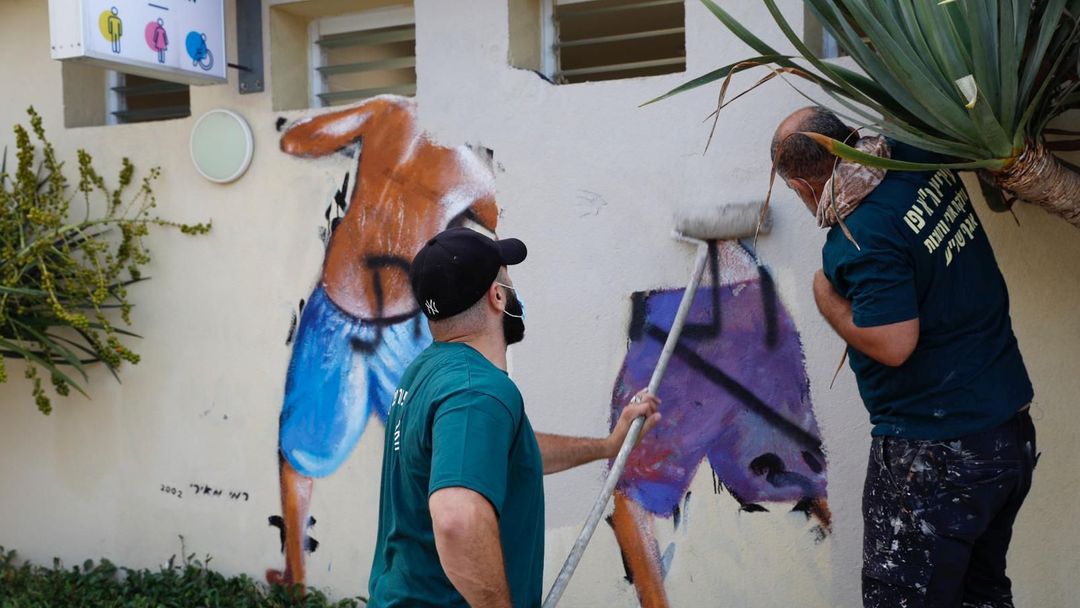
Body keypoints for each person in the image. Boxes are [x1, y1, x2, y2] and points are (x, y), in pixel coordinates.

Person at [772, 106, 1037, 608]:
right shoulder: (913, 159)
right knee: (981, 595)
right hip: (1007, 437)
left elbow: (894, 344)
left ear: (803, 188)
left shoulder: (859, 237)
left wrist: (825, 297)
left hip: (938, 456)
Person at [367, 227, 662, 608]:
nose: (513, 288)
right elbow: (458, 518)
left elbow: (497, 454)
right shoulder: (478, 392)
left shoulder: (428, 372)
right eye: (508, 277)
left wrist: (608, 446)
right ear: (497, 296)